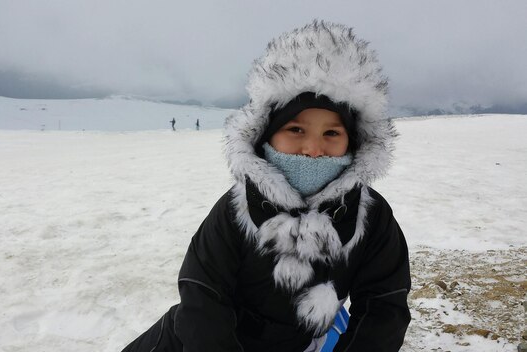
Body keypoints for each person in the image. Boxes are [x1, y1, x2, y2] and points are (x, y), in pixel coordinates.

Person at [122, 20, 410, 352]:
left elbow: (384, 304)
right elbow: (202, 294)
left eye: (331, 133)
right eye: (296, 130)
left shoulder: (369, 216)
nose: (313, 149)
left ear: (353, 141)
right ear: (266, 135)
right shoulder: (237, 207)